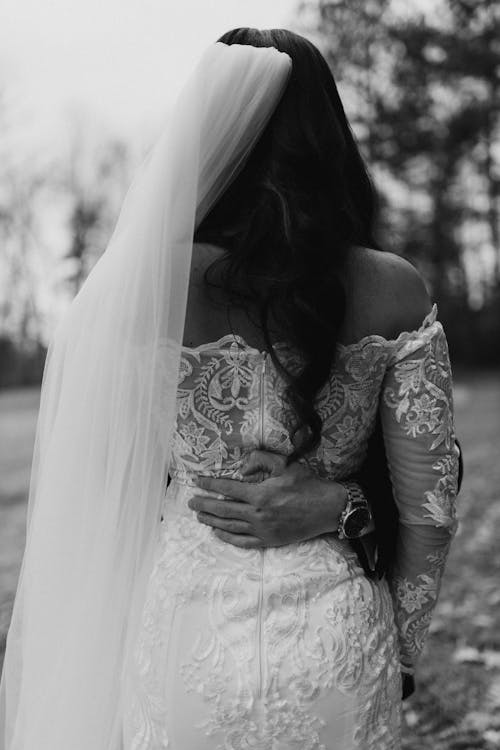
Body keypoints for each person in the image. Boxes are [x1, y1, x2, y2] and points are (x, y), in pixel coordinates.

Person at [0, 28, 460, 750]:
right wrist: (397, 647)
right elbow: (430, 509)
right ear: (327, 136)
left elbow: (105, 499)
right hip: (336, 643)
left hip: (186, 633)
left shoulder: (136, 289)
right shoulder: (390, 289)